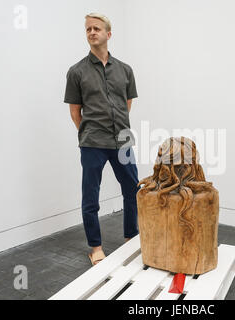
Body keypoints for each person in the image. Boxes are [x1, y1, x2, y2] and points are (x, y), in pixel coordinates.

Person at [63, 13, 140, 266]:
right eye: (88, 29)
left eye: (96, 28)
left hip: (123, 140)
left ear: (108, 34)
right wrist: (89, 131)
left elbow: (126, 104)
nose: (92, 32)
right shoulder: (76, 72)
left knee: (133, 191)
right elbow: (75, 111)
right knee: (91, 196)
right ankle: (95, 247)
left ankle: (131, 237)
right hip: (92, 142)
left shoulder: (125, 70)